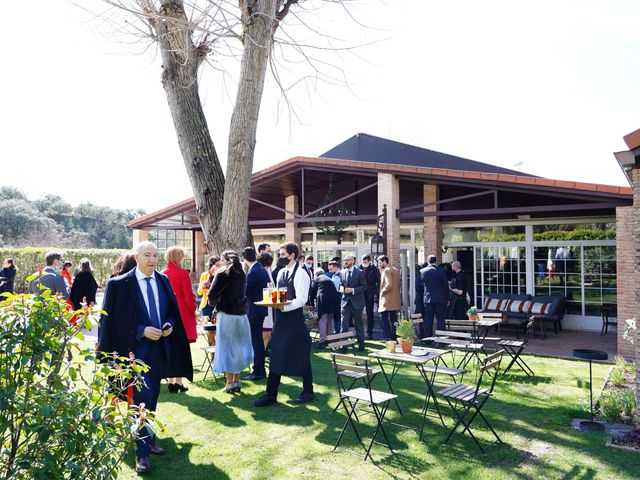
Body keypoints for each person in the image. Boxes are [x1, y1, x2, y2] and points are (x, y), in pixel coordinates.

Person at [97, 241, 192, 474]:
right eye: (147, 255)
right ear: (137, 258)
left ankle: (148, 439)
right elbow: (113, 321)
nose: (152, 259)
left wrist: (168, 324)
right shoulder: (118, 284)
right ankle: (141, 455)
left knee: (153, 397)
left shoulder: (163, 280)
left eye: (155, 255)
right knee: (142, 397)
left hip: (160, 350)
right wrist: (141, 330)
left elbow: (170, 310)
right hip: (132, 354)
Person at [254, 242, 314, 407]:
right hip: (280, 321)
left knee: (302, 355)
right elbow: (277, 295)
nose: (279, 258)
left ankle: (308, 391)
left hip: (294, 321)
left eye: (282, 254)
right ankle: (271, 394)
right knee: (276, 355)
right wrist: (273, 302)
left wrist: (283, 307)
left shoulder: (301, 273)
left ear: (292, 255)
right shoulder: (280, 272)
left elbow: (301, 299)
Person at [208, 250, 253, 394]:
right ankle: (237, 380)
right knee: (238, 347)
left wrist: (215, 302)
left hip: (227, 314)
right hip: (241, 315)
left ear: (225, 260)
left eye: (221, 259)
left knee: (227, 348)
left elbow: (212, 295)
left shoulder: (222, 274)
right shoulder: (242, 274)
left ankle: (229, 383)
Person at [162, 246, 198, 393]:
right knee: (181, 348)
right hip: (182, 313)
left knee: (171, 347)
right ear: (178, 257)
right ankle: (178, 382)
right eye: (182, 256)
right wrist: (193, 309)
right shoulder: (182, 273)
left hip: (167, 315)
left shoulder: (162, 273)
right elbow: (188, 295)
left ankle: (172, 381)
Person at [242, 246, 270, 381]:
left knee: (256, 341)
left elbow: (246, 291)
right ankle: (260, 370)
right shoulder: (259, 269)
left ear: (244, 258)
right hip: (259, 309)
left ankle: (258, 371)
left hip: (255, 310)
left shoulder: (255, 271)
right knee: (257, 340)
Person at [338, 254, 368, 351]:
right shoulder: (342, 272)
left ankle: (361, 346)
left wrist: (353, 290)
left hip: (357, 302)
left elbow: (364, 287)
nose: (345, 262)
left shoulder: (360, 273)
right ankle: (343, 346)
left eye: (347, 260)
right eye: (344, 260)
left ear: (352, 261)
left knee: (358, 325)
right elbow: (340, 285)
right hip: (345, 302)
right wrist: (342, 288)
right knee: (344, 324)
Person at [420, 254, 450, 336]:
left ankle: (428, 339)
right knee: (440, 320)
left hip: (428, 299)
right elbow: (445, 286)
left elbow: (421, 285)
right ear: (436, 261)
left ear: (428, 261)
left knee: (428, 320)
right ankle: (440, 339)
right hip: (440, 299)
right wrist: (448, 298)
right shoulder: (441, 271)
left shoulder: (422, 271)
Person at [309, 267, 339, 349]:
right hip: (333, 301)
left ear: (316, 274)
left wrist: (312, 305)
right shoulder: (329, 279)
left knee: (322, 321)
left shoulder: (316, 280)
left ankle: (322, 341)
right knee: (329, 321)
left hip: (323, 301)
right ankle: (330, 340)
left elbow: (311, 294)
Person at [197, 255, 221, 345]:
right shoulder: (204, 275)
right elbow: (199, 292)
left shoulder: (222, 274)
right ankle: (212, 358)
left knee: (219, 331)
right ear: (211, 266)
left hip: (219, 305)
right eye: (217, 265)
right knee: (210, 332)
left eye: (220, 265)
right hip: (207, 306)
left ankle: (219, 356)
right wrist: (204, 286)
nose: (219, 267)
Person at [377, 255, 401, 340]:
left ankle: (388, 337)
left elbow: (389, 285)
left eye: (380, 262)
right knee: (394, 319)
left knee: (383, 317)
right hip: (394, 299)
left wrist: (382, 292)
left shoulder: (386, 270)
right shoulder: (395, 269)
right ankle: (394, 337)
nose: (379, 264)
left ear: (384, 261)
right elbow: (398, 285)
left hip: (387, 300)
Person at [359, 254, 380, 339]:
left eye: (366, 261)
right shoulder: (358, 268)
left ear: (369, 261)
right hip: (360, 293)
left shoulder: (374, 270)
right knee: (358, 313)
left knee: (369, 313)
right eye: (363, 260)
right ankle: (359, 332)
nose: (364, 262)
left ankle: (369, 332)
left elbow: (378, 281)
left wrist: (376, 293)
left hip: (370, 293)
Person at [257, 252, 275, 350]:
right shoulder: (261, 272)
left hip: (269, 306)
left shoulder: (268, 271)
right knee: (265, 332)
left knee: (267, 332)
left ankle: (262, 353)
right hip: (263, 306)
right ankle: (260, 354)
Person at [327, 260, 342, 334]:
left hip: (338, 299)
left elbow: (335, 289)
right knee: (336, 316)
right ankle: (337, 331)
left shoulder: (338, 276)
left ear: (336, 267)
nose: (329, 271)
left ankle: (337, 332)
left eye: (331, 269)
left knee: (337, 316)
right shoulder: (334, 275)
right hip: (336, 299)